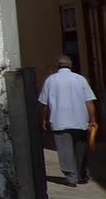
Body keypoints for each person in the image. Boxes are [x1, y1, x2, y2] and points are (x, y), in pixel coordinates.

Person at [40, 55, 99, 186]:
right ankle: (81, 175)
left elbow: (45, 104)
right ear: (71, 66)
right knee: (80, 148)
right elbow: (89, 101)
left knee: (64, 150)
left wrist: (44, 119)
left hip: (59, 119)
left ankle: (71, 177)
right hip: (80, 119)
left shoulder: (51, 80)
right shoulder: (80, 79)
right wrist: (93, 119)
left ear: (57, 66)